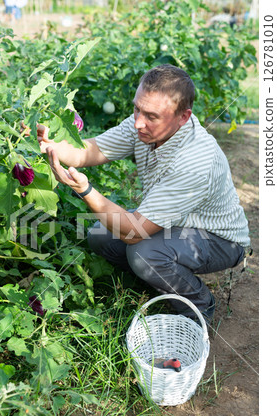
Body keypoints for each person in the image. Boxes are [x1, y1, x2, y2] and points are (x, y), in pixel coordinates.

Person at [37, 64, 251, 323]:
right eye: (137, 108)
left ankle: (198, 305)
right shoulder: (144, 125)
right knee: (99, 235)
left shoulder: (195, 161)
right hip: (172, 224)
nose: (138, 122)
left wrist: (84, 190)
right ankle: (159, 285)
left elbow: (133, 232)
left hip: (217, 239)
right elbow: (90, 150)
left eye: (151, 116)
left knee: (143, 253)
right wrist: (49, 146)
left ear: (183, 117)